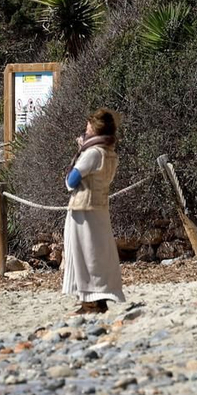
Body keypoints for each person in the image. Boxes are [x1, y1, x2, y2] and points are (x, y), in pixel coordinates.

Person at [62, 109, 124, 314]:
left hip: (83, 208)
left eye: (89, 126)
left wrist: (80, 152)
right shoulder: (110, 153)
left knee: (82, 253)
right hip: (100, 206)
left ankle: (89, 300)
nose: (86, 130)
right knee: (98, 252)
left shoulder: (92, 153)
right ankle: (98, 297)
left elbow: (71, 180)